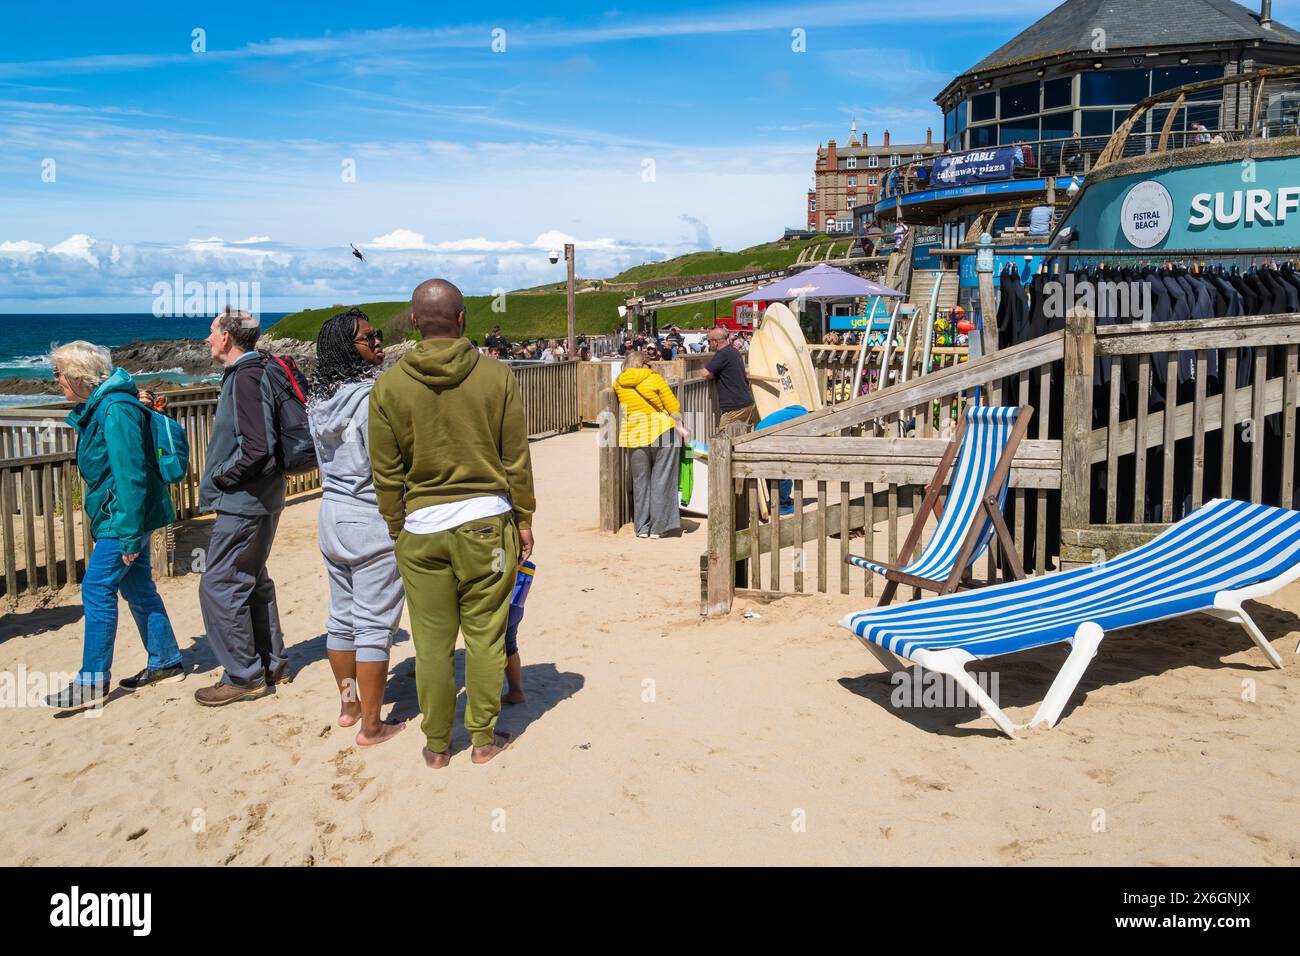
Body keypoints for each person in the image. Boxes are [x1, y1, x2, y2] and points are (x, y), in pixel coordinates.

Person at [369, 279, 535, 768]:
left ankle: (437, 745)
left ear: (414, 321)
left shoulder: (389, 385)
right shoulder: (496, 376)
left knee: (432, 642)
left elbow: (385, 472)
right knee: (485, 633)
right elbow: (515, 459)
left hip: (421, 529)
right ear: (463, 319)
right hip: (487, 522)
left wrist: (397, 526)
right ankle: (482, 739)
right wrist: (523, 518)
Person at [43, 342, 184, 709]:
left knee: (96, 588)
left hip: (121, 517)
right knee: (138, 588)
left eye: (58, 373)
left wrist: (128, 534)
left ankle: (92, 681)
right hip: (121, 514)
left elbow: (130, 474)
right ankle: (165, 659)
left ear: (78, 375)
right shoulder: (106, 405)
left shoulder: (115, 409)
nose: (55, 379)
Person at [308, 309, 405, 746]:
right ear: (350, 350)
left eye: (377, 334)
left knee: (341, 619)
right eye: (369, 339)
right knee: (373, 624)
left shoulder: (319, 403)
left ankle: (348, 708)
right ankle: (372, 724)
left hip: (332, 515)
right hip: (369, 517)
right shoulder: (372, 399)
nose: (379, 342)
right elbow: (387, 464)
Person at [195, 308, 290, 706]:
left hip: (244, 502)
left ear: (227, 339)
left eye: (212, 332)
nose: (207, 339)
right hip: (263, 497)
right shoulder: (259, 370)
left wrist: (222, 478)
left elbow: (255, 448)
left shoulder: (246, 377)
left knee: (218, 584)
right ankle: (270, 664)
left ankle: (243, 674)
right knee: (251, 579)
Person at [613, 350, 687, 539]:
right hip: (662, 432)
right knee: (662, 479)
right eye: (650, 363)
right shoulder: (654, 378)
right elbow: (673, 407)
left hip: (634, 434)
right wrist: (681, 427)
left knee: (641, 482)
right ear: (644, 363)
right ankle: (658, 528)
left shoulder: (619, 383)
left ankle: (642, 527)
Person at [703, 326, 758, 430]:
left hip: (735, 408)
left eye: (709, 341)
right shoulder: (734, 351)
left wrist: (713, 374)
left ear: (716, 342)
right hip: (747, 403)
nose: (708, 344)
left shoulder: (723, 354)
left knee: (723, 440)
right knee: (741, 439)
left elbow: (706, 373)